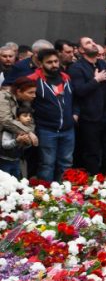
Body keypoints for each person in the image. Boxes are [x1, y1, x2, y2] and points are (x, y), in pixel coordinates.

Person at [68, 37, 106, 174]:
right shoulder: (76, 68)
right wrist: (96, 80)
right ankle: (94, 181)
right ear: (81, 50)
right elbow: (79, 91)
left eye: (93, 42)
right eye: (88, 43)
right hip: (89, 117)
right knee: (92, 152)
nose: (93, 44)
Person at [26, 49, 75, 182]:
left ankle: (64, 195)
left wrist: (76, 113)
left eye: (55, 61)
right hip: (46, 130)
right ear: (40, 63)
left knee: (66, 163)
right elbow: (26, 105)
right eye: (49, 62)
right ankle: (46, 196)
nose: (54, 65)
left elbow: (74, 99)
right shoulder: (32, 80)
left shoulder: (66, 78)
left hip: (68, 129)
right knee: (47, 164)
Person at [0, 103, 37, 179]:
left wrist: (27, 143)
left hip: (16, 161)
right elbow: (5, 145)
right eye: (25, 116)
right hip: (5, 161)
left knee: (17, 181)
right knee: (4, 181)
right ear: (17, 118)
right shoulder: (9, 130)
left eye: (30, 116)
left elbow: (25, 148)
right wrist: (16, 140)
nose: (29, 118)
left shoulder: (28, 129)